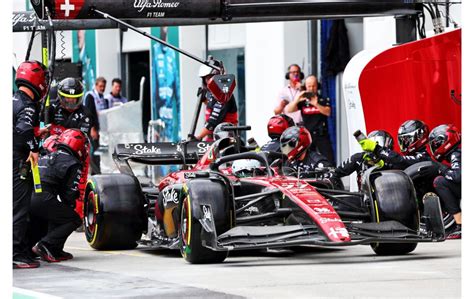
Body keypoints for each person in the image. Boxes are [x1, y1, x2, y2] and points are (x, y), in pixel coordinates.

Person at [13, 60, 49, 269]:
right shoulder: (27, 103)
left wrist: (35, 133)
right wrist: (34, 147)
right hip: (17, 160)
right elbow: (23, 130)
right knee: (19, 207)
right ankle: (16, 253)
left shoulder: (12, 98)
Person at [30, 129, 87, 262]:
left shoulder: (44, 156)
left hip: (27, 197)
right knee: (73, 219)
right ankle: (46, 246)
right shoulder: (73, 162)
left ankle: (48, 249)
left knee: (54, 214)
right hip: (42, 197)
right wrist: (73, 201)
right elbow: (69, 195)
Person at [45, 77, 95, 219]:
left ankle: (77, 216)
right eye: (67, 99)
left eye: (75, 99)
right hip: (52, 155)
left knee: (77, 187)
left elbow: (80, 138)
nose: (71, 102)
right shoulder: (50, 108)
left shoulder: (85, 114)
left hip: (77, 155)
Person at [285, 75, 334, 165]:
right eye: (309, 86)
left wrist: (316, 104)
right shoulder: (303, 101)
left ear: (317, 86)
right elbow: (289, 110)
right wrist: (297, 99)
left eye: (314, 86)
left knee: (329, 159)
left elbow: (328, 112)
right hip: (307, 135)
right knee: (306, 159)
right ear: (305, 87)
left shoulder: (322, 99)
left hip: (321, 134)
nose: (311, 88)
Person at [429, 124, 462, 239]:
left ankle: (460, 224)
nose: (435, 148)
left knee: (440, 182)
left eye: (436, 144)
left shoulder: (456, 153)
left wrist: (441, 168)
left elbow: (457, 176)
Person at [358, 119, 433, 170]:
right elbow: (394, 166)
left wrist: (377, 148)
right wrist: (379, 164)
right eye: (402, 140)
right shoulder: (410, 158)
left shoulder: (423, 157)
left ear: (419, 136)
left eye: (406, 139)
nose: (404, 144)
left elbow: (400, 160)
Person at [195, 59, 238, 141]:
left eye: (209, 78)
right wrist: (204, 99)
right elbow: (212, 108)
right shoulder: (211, 94)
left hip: (225, 140)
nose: (207, 81)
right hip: (212, 139)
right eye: (205, 79)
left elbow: (213, 121)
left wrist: (198, 137)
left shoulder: (224, 95)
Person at [83, 76, 106, 174]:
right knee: (94, 150)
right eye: (100, 86)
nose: (102, 88)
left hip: (100, 128)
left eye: (104, 86)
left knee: (98, 151)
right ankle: (95, 172)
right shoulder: (90, 96)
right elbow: (89, 113)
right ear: (96, 85)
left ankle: (97, 170)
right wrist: (92, 128)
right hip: (92, 129)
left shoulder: (102, 97)